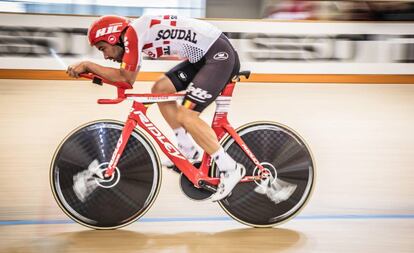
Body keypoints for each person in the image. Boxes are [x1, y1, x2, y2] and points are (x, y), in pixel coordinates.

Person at [66, 15, 245, 201]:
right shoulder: (133, 35)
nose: (105, 56)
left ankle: (230, 168)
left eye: (103, 49)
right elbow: (125, 80)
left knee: (187, 116)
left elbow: (126, 79)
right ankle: (187, 148)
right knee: (160, 89)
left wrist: (88, 65)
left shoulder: (132, 35)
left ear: (112, 37)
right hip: (204, 56)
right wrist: (93, 72)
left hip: (218, 56)